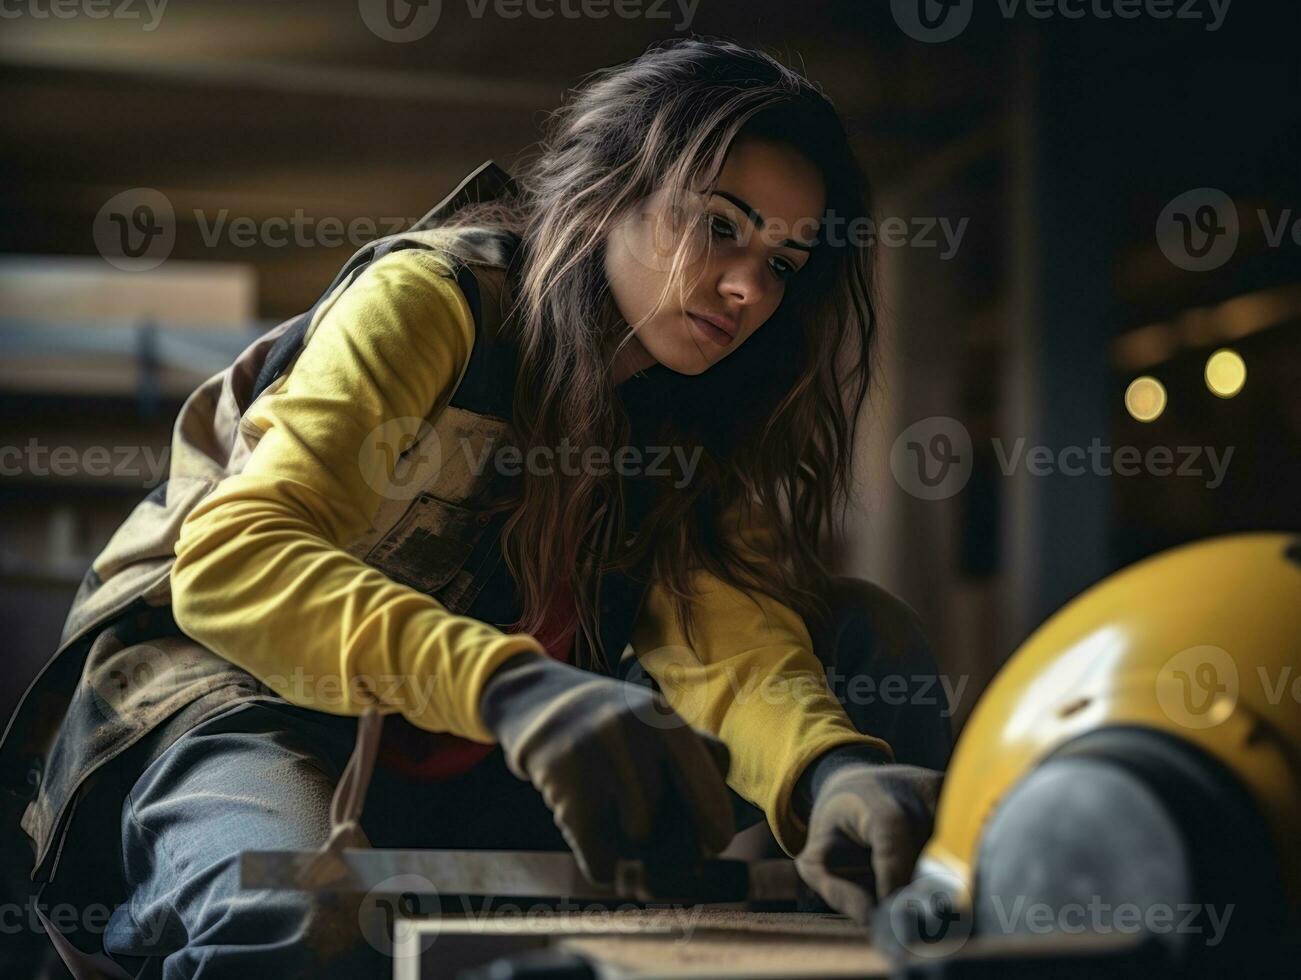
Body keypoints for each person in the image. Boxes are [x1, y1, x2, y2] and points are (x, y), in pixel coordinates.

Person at [1, 36, 951, 979]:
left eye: (783, 264)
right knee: (306, 921)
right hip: (243, 702)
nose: (747, 287)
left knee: (862, 641)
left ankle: (871, 923)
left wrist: (829, 770)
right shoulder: (435, 298)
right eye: (719, 226)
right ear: (607, 191)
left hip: (479, 755)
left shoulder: (693, 410)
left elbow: (723, 634)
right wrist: (514, 686)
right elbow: (234, 560)